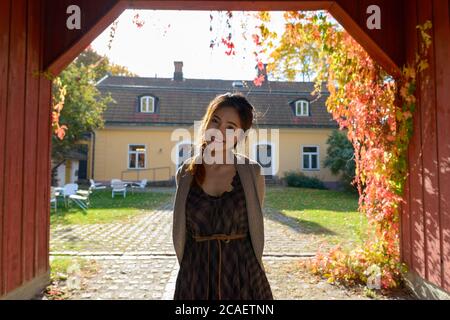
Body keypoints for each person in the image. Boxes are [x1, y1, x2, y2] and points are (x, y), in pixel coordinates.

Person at [172, 92, 273, 300]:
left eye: (230, 127)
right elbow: (182, 231)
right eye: (215, 121)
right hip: (195, 278)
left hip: (243, 276)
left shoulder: (252, 173)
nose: (219, 132)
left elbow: (254, 225)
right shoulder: (185, 173)